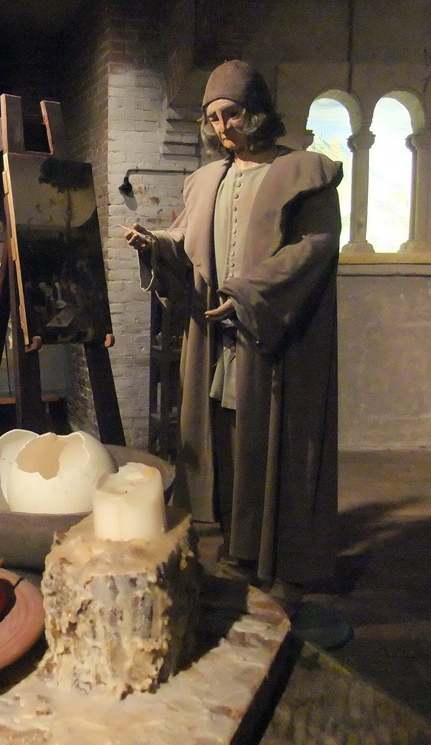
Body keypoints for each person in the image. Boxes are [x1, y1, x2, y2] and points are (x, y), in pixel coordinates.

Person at [124, 60, 343, 604]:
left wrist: (248, 292)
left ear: (260, 113)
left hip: (275, 339)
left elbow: (315, 248)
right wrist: (155, 246)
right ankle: (241, 547)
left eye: (233, 114)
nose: (224, 127)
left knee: (278, 446)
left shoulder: (305, 173)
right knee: (226, 445)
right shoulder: (206, 181)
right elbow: (187, 245)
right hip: (218, 340)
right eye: (214, 118)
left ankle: (284, 561)